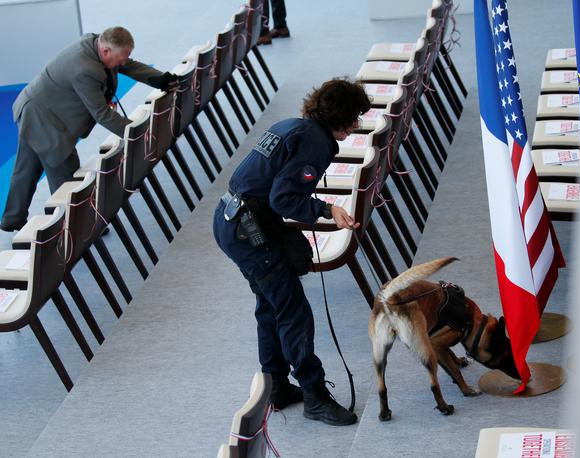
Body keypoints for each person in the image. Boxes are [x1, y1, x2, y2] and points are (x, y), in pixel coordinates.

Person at [213, 78, 371, 426]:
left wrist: (323, 209)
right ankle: (314, 395)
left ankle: (277, 387)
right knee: (294, 311)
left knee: (271, 306)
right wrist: (326, 210)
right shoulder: (314, 142)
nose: (357, 125)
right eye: (355, 116)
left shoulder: (292, 126)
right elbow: (283, 199)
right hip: (249, 230)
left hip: (232, 219)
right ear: (341, 116)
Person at [0, 26, 178, 232]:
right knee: (66, 171)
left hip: (40, 107)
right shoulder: (85, 68)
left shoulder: (99, 44)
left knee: (26, 169)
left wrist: (160, 78)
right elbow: (101, 113)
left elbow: (128, 65)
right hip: (42, 118)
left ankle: (12, 219)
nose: (122, 62)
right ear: (106, 51)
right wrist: (138, 134)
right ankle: (79, 228)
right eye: (120, 57)